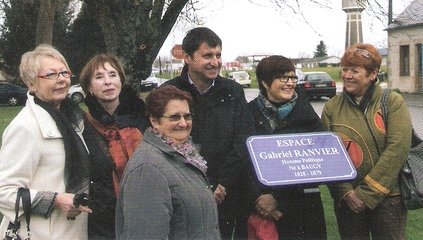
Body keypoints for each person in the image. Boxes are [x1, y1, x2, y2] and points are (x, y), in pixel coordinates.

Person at [162, 27, 255, 239]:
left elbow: (243, 140)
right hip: (183, 194)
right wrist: (197, 187)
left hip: (226, 192)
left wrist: (223, 183)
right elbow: (165, 144)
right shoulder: (169, 93)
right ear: (187, 58)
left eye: (218, 55)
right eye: (207, 56)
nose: (215, 62)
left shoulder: (233, 92)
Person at [0, 44, 91, 239]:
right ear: (31, 84)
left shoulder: (71, 118)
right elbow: (2, 191)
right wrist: (55, 200)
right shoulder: (25, 127)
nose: (62, 80)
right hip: (43, 233)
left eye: (64, 73)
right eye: (50, 75)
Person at [321, 43, 412, 239]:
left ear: (372, 74)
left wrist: (366, 194)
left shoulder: (392, 102)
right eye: (345, 70)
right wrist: (346, 193)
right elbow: (327, 157)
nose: (347, 75)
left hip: (389, 199)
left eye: (355, 70)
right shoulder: (332, 107)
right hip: (348, 201)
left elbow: (397, 149)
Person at [115, 85, 221, 239]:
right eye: (174, 117)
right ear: (154, 120)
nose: (183, 123)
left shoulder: (185, 156)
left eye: (187, 116)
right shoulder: (148, 168)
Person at [248, 55, 327, 239]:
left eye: (292, 78)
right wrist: (258, 199)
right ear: (265, 83)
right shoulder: (248, 113)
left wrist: (277, 198)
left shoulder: (307, 116)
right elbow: (242, 162)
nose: (290, 83)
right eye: (283, 78)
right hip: (260, 208)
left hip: (302, 211)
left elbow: (316, 165)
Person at [79, 54, 148, 239]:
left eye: (112, 74)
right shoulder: (82, 127)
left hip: (146, 212)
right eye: (99, 77)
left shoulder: (143, 119)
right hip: (103, 222)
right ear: (89, 88)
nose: (108, 82)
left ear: (121, 81)